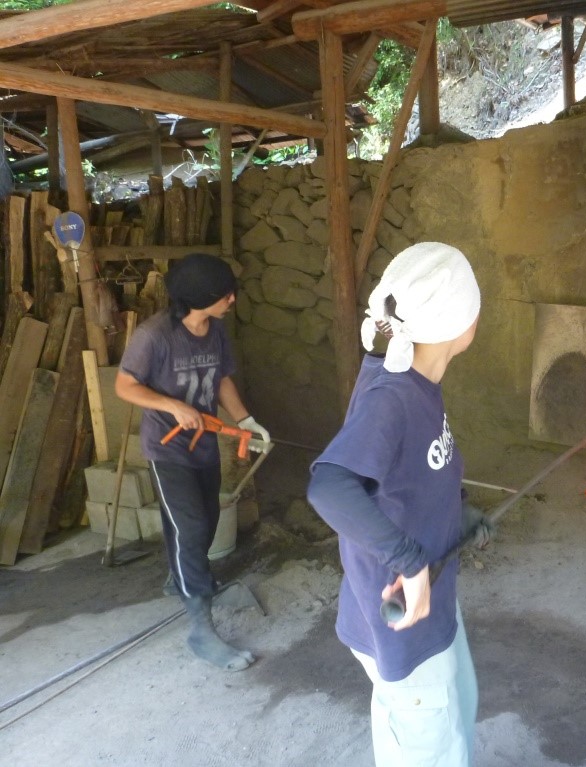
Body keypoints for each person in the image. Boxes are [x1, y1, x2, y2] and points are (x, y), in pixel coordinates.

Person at [307, 241, 487, 767]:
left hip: (432, 597)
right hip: (400, 610)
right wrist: (410, 563)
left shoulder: (417, 381)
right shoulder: (392, 397)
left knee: (456, 707)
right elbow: (330, 485)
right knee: (425, 740)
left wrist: (457, 516)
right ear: (460, 322)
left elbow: (411, 480)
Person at [115, 252, 270, 672]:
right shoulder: (154, 336)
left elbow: (220, 379)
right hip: (167, 451)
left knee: (200, 519)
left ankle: (179, 579)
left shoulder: (215, 332)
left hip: (204, 445)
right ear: (202, 297)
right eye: (225, 295)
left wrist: (246, 420)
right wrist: (170, 405)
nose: (232, 300)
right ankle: (201, 628)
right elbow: (125, 385)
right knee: (192, 525)